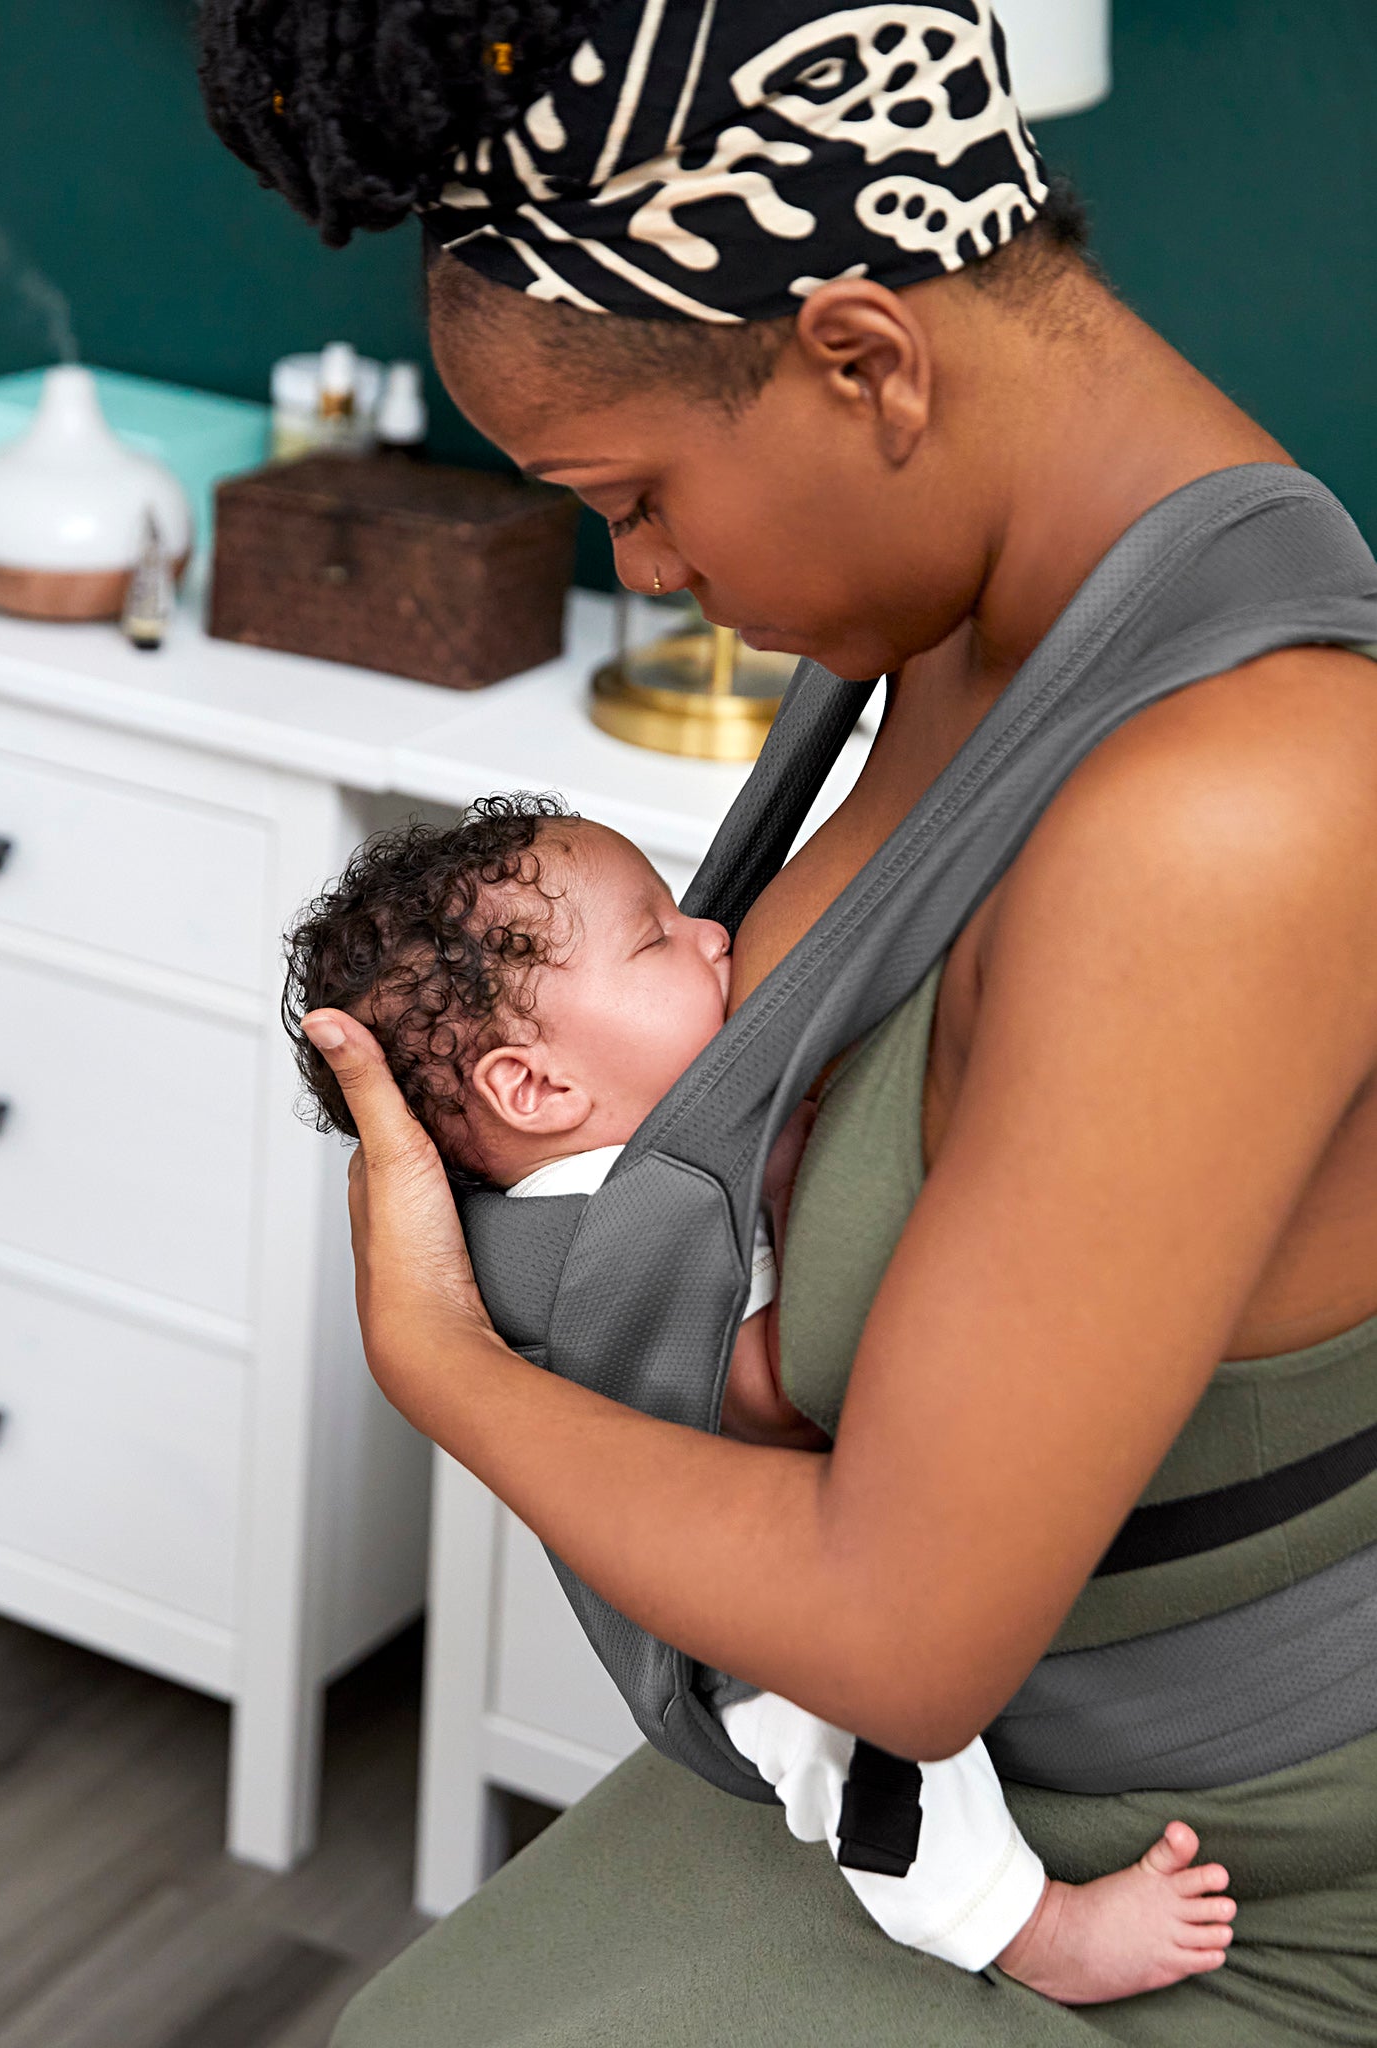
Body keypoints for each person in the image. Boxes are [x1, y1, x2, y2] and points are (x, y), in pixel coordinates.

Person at [199, 1, 1377, 2038]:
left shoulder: (1229, 810)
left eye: (633, 495)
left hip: (1204, 1876)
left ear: (862, 359)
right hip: (970, 1811)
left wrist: (445, 1362)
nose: (652, 571)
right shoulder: (959, 628)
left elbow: (901, 1641)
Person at [284, 792, 1240, 2003]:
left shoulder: (627, 1161)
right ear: (534, 1088)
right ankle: (1021, 1923)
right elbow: (756, 1393)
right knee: (870, 1749)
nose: (714, 934)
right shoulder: (585, 1241)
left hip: (786, 1540)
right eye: (656, 937)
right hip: (738, 1637)